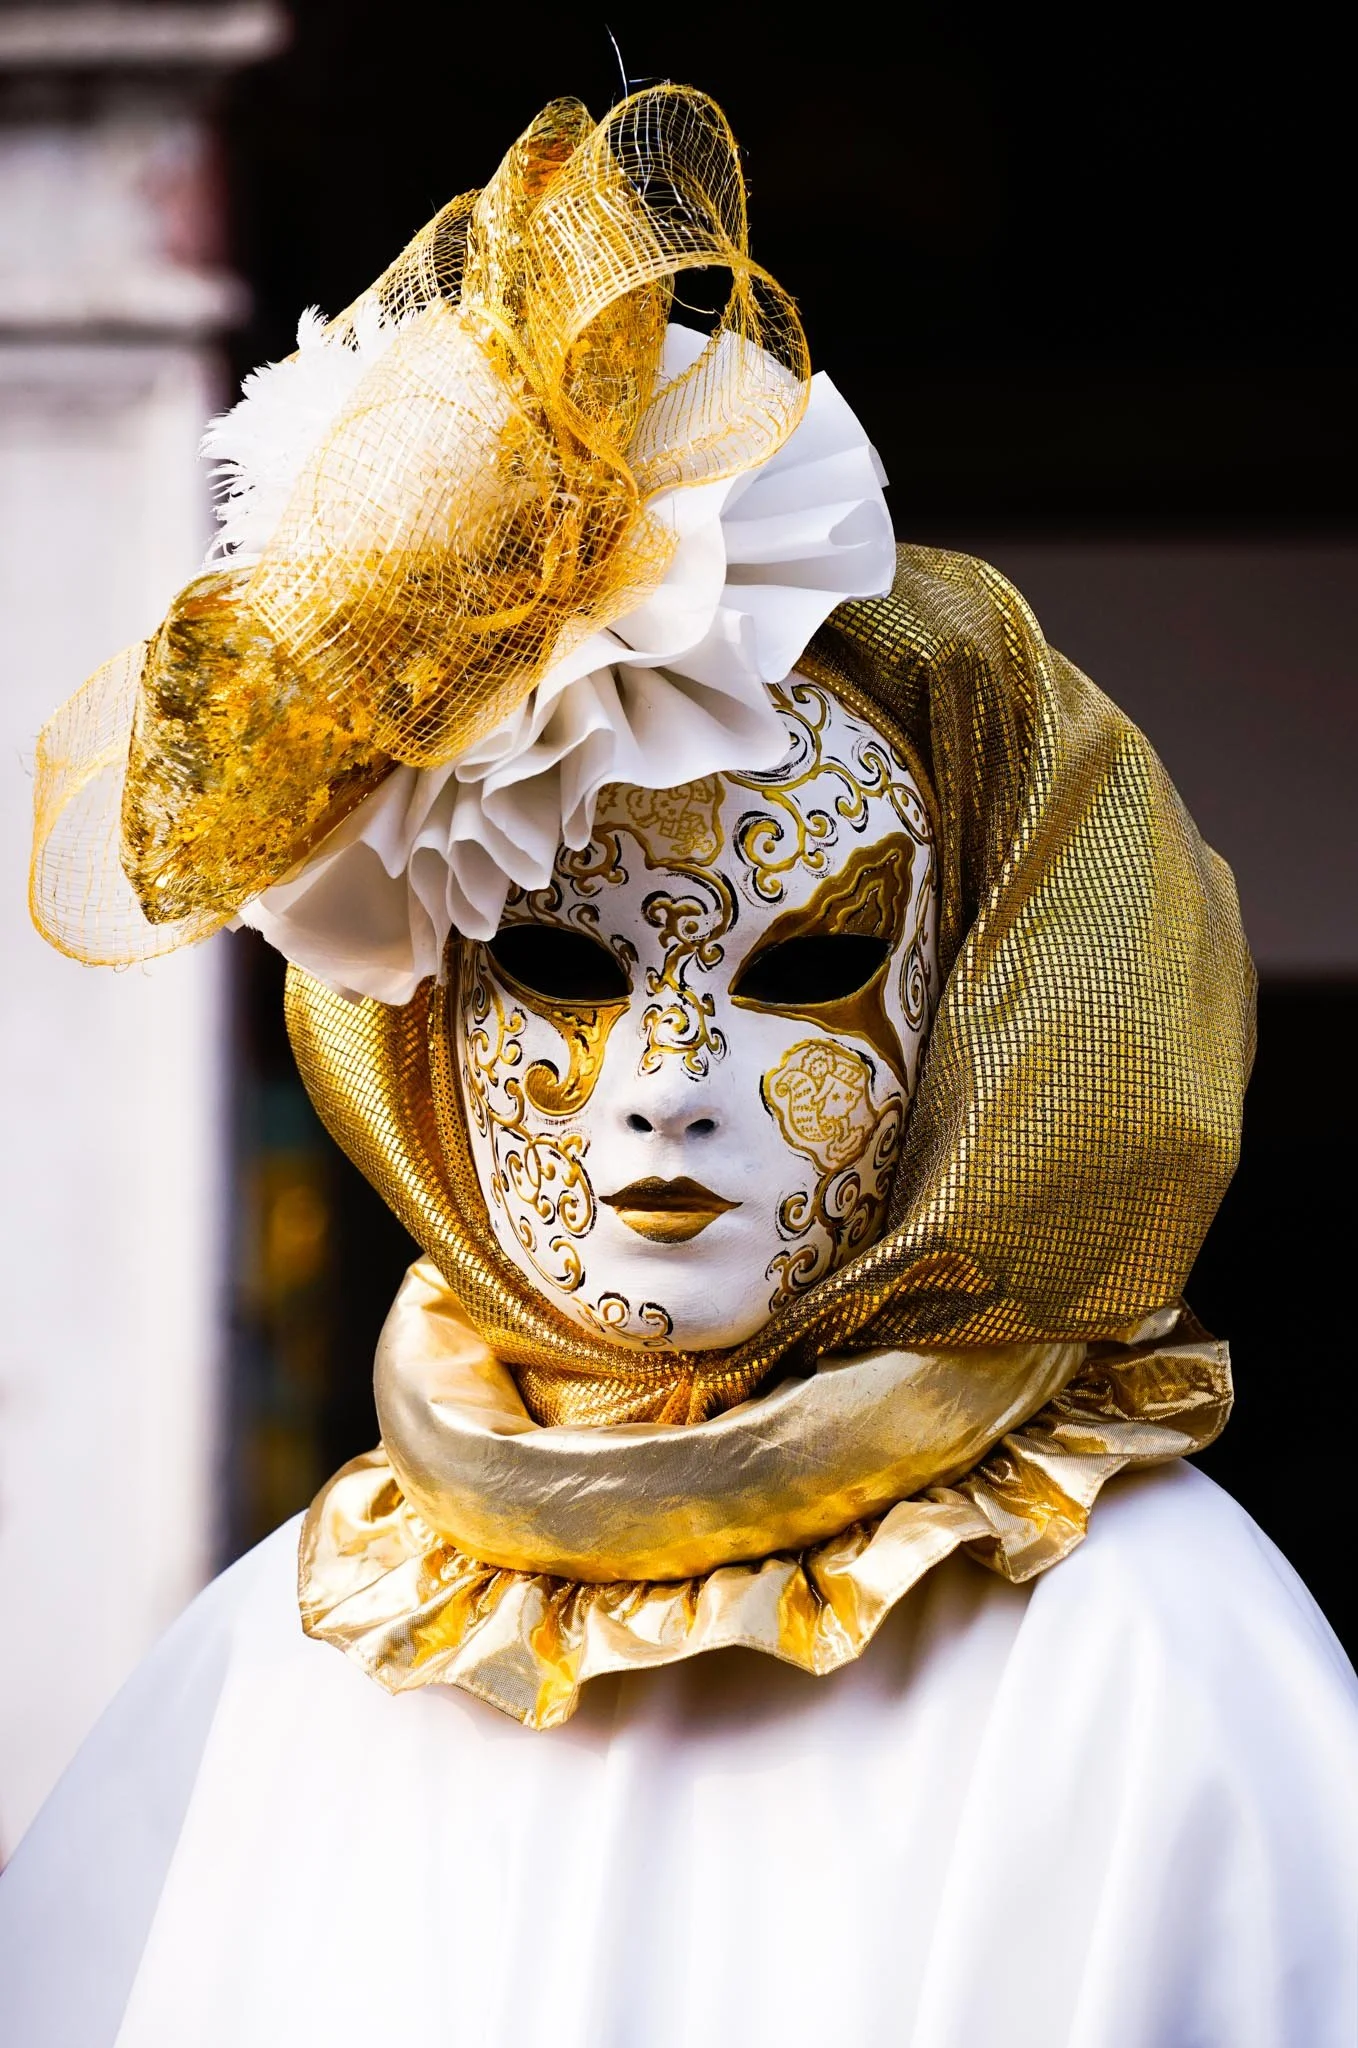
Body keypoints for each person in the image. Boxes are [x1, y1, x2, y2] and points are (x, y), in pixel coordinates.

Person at [3, 87, 1355, 2048]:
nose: (667, 1086)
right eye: (561, 967)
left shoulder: (1135, 1656)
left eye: (806, 964)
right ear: (417, 1026)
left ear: (968, 1010)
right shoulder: (298, 1659)